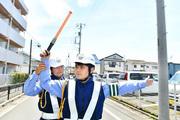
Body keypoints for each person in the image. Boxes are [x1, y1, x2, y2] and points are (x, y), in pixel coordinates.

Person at [39, 51, 153, 120]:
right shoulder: (65, 85)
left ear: (92, 69)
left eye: (82, 67)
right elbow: (45, 83)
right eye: (77, 66)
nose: (78, 70)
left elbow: (121, 87)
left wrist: (142, 83)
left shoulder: (102, 88)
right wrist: (45, 61)